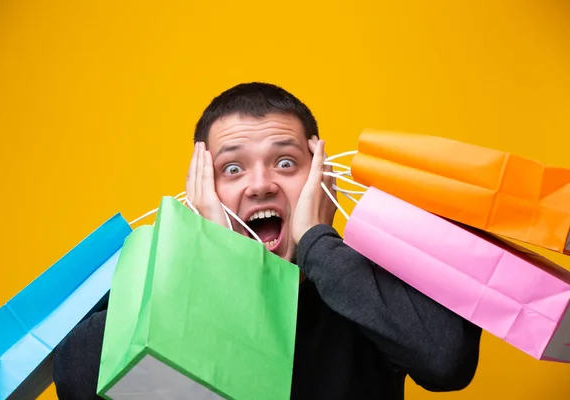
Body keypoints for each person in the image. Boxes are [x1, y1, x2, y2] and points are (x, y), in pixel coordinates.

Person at [52, 82, 483, 399]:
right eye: (232, 169)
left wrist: (318, 241)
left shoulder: (362, 281)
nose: (260, 185)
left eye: (285, 162)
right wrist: (211, 260)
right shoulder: (170, 277)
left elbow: (447, 363)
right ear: (202, 190)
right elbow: (76, 382)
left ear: (320, 177)